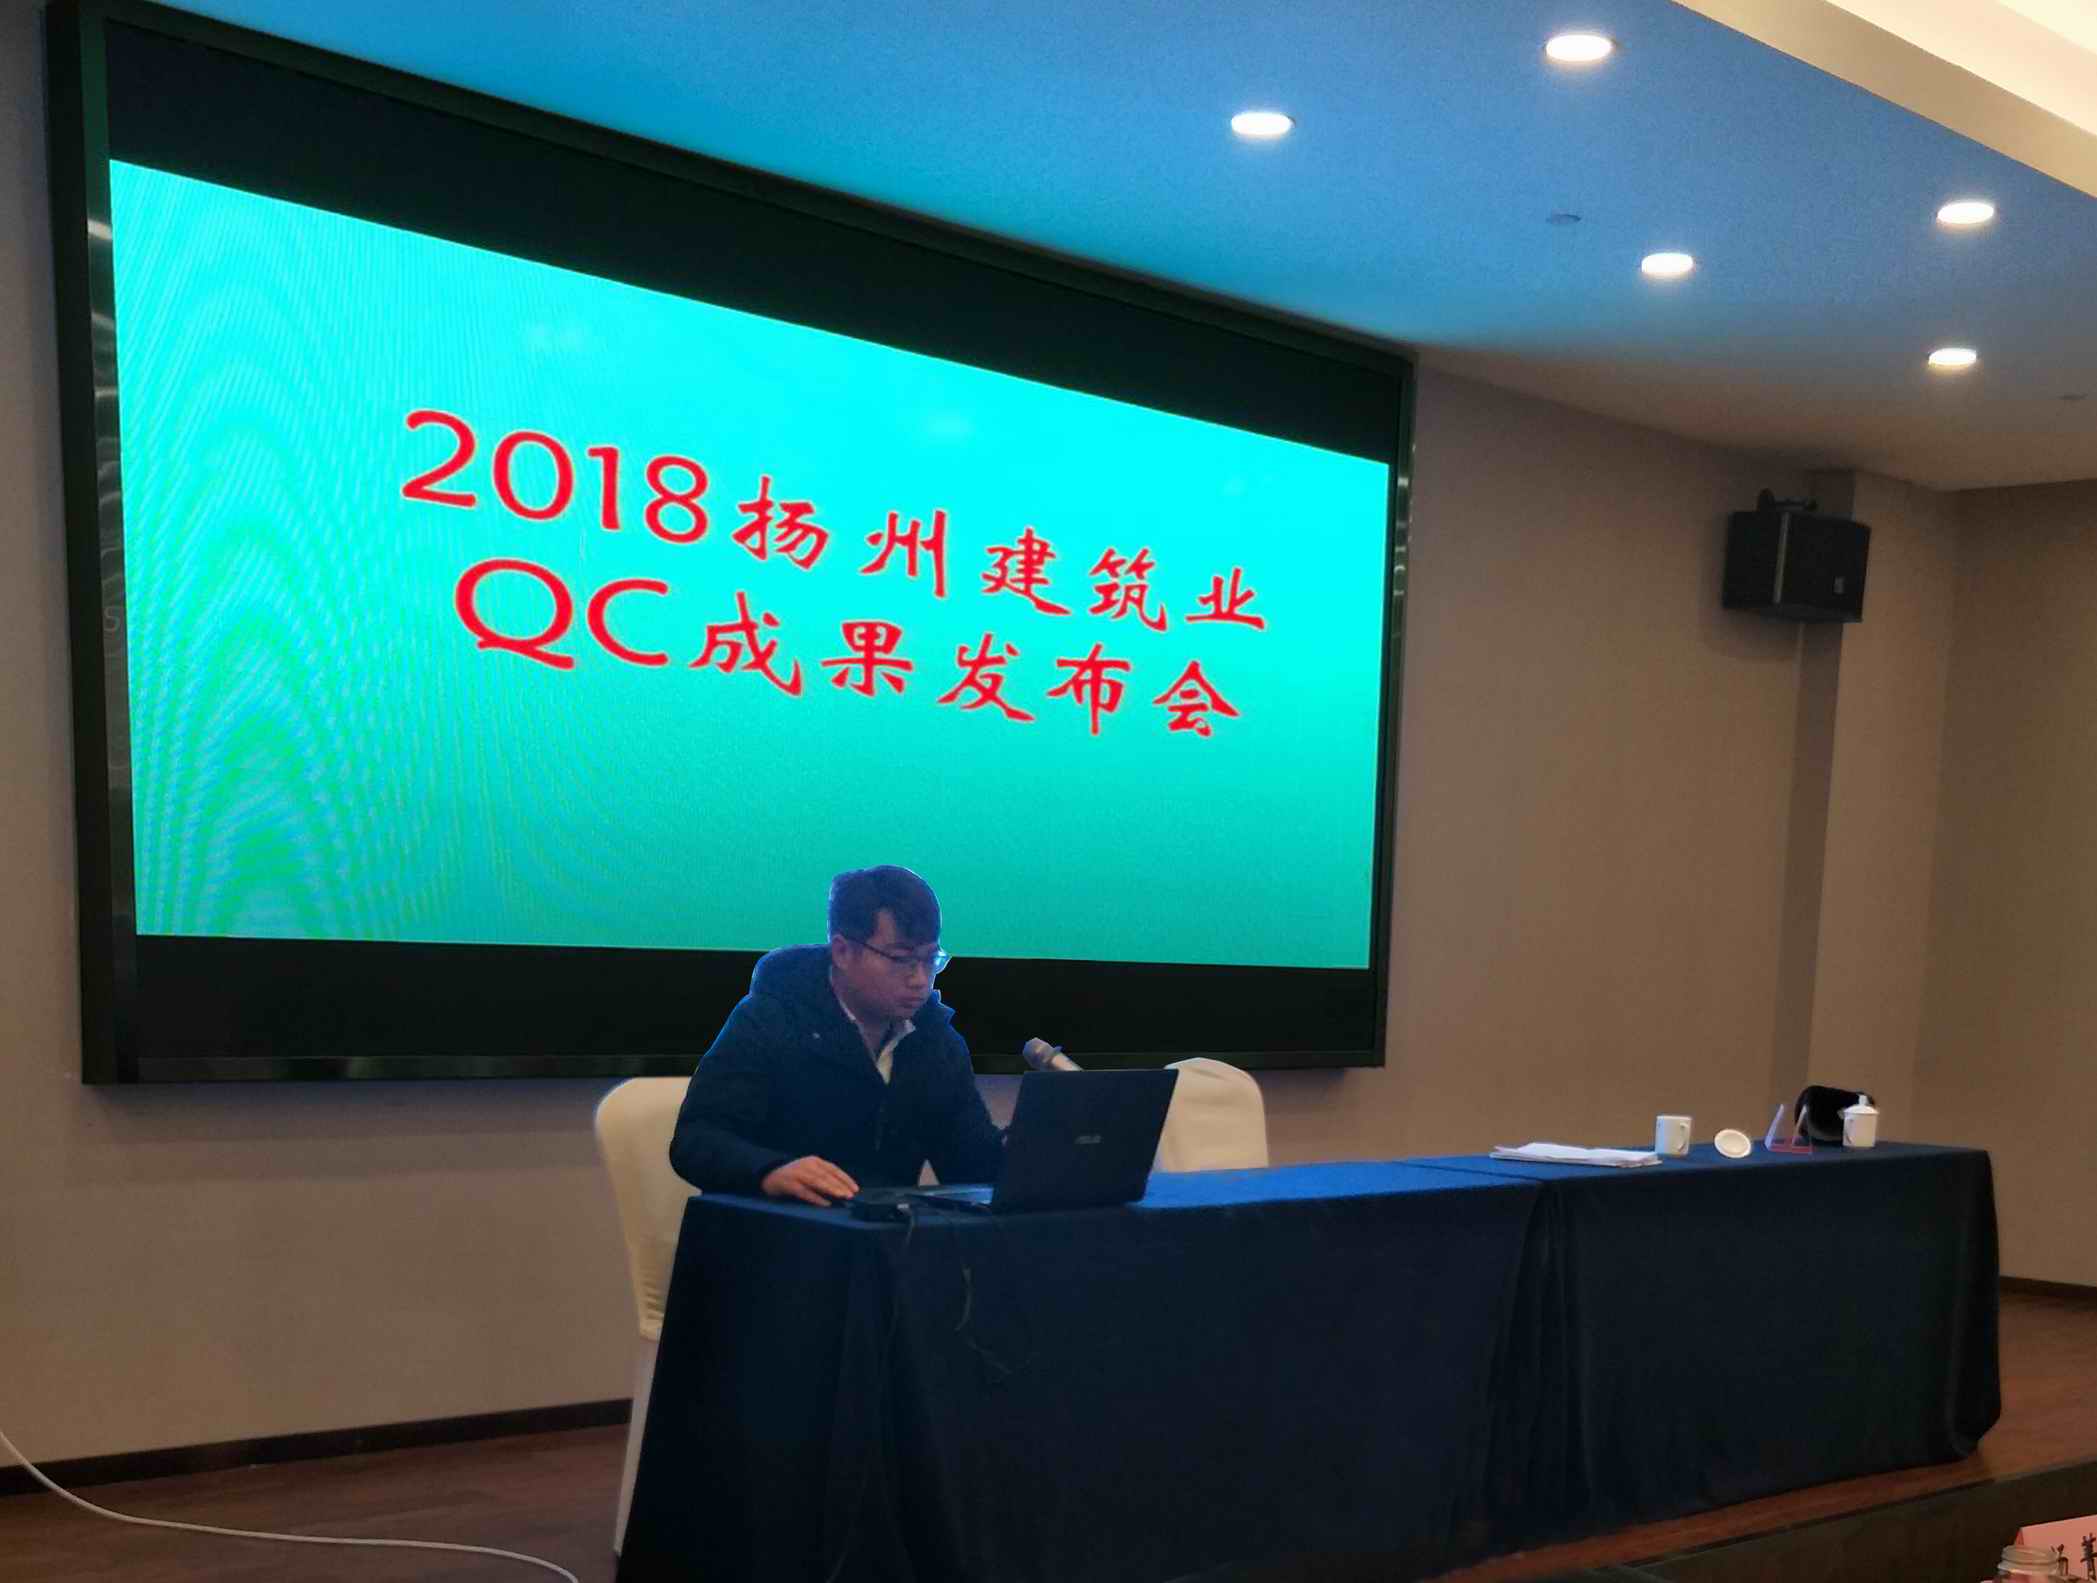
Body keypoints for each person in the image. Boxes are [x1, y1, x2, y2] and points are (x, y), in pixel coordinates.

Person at [668, 865, 1007, 1204]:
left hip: (885, 1231)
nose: (920, 979)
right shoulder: (771, 1020)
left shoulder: (935, 1043)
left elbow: (972, 1166)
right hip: (779, 1226)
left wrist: (1029, 1144)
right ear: (843, 951)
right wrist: (770, 1171)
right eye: (901, 959)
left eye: (930, 959)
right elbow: (696, 1139)